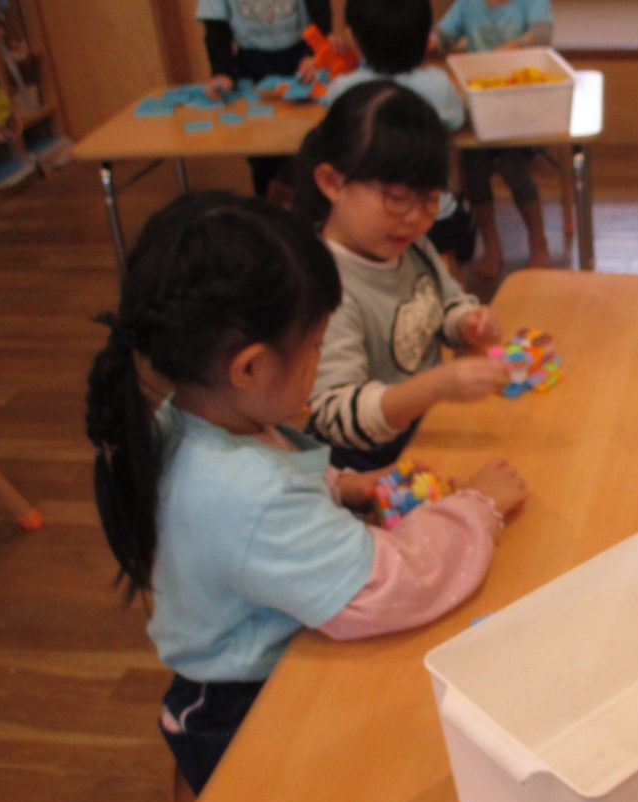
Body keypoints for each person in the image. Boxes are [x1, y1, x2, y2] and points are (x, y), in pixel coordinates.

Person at [84, 190, 527, 794]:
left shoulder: (194, 415)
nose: (322, 358)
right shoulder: (247, 494)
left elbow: (268, 478)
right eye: (317, 344)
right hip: (244, 713)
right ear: (249, 368)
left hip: (260, 661)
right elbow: (391, 585)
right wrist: (477, 506)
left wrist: (342, 488)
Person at [292, 81, 509, 471]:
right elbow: (335, 414)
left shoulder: (408, 245)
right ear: (332, 182)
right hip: (367, 464)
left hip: (428, 427)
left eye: (430, 198)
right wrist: (437, 385)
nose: (414, 216)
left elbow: (444, 301)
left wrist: (466, 322)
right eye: (395, 197)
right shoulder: (323, 286)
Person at [324, 0, 476, 267]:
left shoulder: (341, 89)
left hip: (369, 224)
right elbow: (456, 119)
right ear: (426, 39)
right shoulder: (439, 85)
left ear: (352, 38)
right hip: (436, 216)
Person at [429, 0, 554, 278]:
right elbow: (442, 37)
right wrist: (427, 40)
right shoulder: (467, 4)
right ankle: (491, 245)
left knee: (514, 168)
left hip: (522, 106)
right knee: (474, 170)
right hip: (480, 108)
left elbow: (542, 35)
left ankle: (538, 240)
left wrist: (507, 50)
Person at [196, 0, 332, 197]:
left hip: (300, 57)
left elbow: (321, 11)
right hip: (251, 63)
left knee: (308, 142)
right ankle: (265, 200)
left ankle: (311, 202)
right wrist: (222, 70)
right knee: (261, 149)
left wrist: (314, 53)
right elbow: (216, 29)